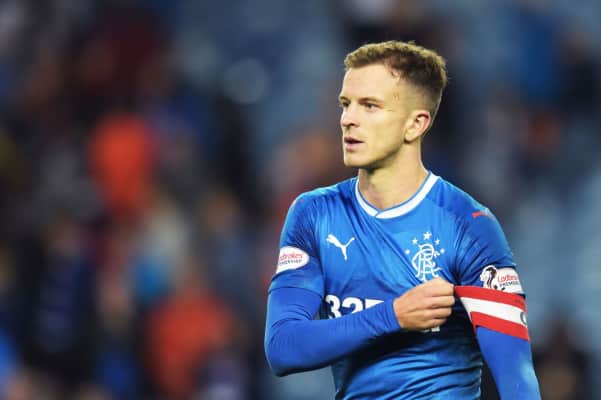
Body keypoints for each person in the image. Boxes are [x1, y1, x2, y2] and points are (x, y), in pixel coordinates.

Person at [264, 40, 541, 399]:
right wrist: (394, 315)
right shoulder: (314, 214)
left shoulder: (468, 225)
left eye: (370, 105)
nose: (348, 119)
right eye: (346, 104)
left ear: (415, 124)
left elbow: (516, 375)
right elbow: (282, 347)